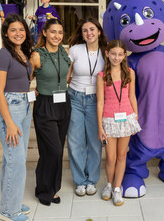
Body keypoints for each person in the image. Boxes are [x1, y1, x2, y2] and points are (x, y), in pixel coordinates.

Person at [0, 14, 33, 221]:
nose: (18, 33)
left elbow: (22, 80)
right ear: (6, 34)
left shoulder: (22, 53)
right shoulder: (2, 55)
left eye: (21, 29)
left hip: (24, 106)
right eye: (13, 30)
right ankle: (8, 211)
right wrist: (9, 122)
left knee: (14, 158)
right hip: (11, 110)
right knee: (15, 160)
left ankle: (12, 201)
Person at [30, 18, 71, 206]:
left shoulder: (65, 52)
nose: (57, 36)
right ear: (44, 33)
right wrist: (32, 92)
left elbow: (67, 76)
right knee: (52, 150)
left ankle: (49, 188)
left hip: (63, 103)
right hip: (45, 105)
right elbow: (25, 79)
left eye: (60, 32)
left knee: (56, 150)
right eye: (53, 32)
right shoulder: (37, 55)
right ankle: (45, 191)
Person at [97, 39, 141, 206]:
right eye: (113, 54)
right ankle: (108, 184)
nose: (116, 57)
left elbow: (132, 97)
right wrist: (100, 126)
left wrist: (135, 117)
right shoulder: (101, 76)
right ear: (107, 54)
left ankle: (117, 188)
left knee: (122, 156)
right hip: (109, 120)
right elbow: (100, 102)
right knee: (110, 157)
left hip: (126, 118)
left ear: (124, 56)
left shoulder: (130, 73)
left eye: (120, 54)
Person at [67, 18, 107, 196]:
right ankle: (79, 181)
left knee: (95, 142)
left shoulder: (106, 52)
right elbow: (66, 75)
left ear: (99, 31)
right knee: (75, 141)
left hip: (96, 100)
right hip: (75, 97)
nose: (89, 33)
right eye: (85, 30)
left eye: (92, 29)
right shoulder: (75, 50)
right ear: (81, 34)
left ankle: (92, 180)